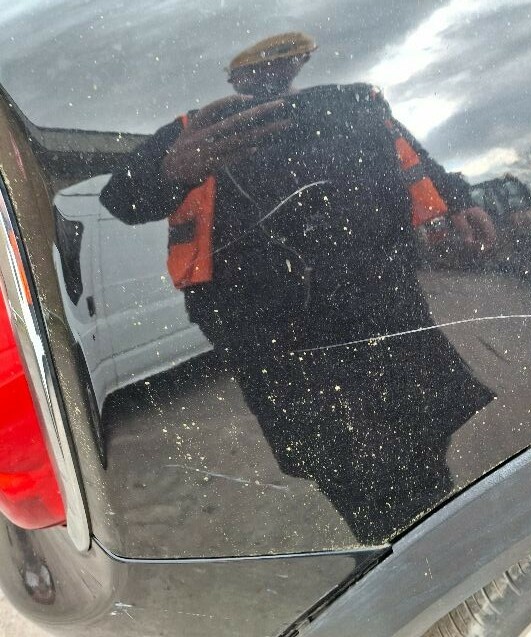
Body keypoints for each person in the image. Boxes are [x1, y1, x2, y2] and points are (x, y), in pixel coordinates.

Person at [100, 33, 495, 543]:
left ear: (299, 66)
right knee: (338, 459)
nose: (269, 77)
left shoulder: (352, 104)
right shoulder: (195, 129)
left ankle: (455, 531)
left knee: (429, 420)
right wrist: (170, 170)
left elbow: (412, 157)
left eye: (283, 64)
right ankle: (397, 546)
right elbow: (120, 198)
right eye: (254, 71)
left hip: (379, 296)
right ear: (235, 80)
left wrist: (460, 199)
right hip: (270, 331)